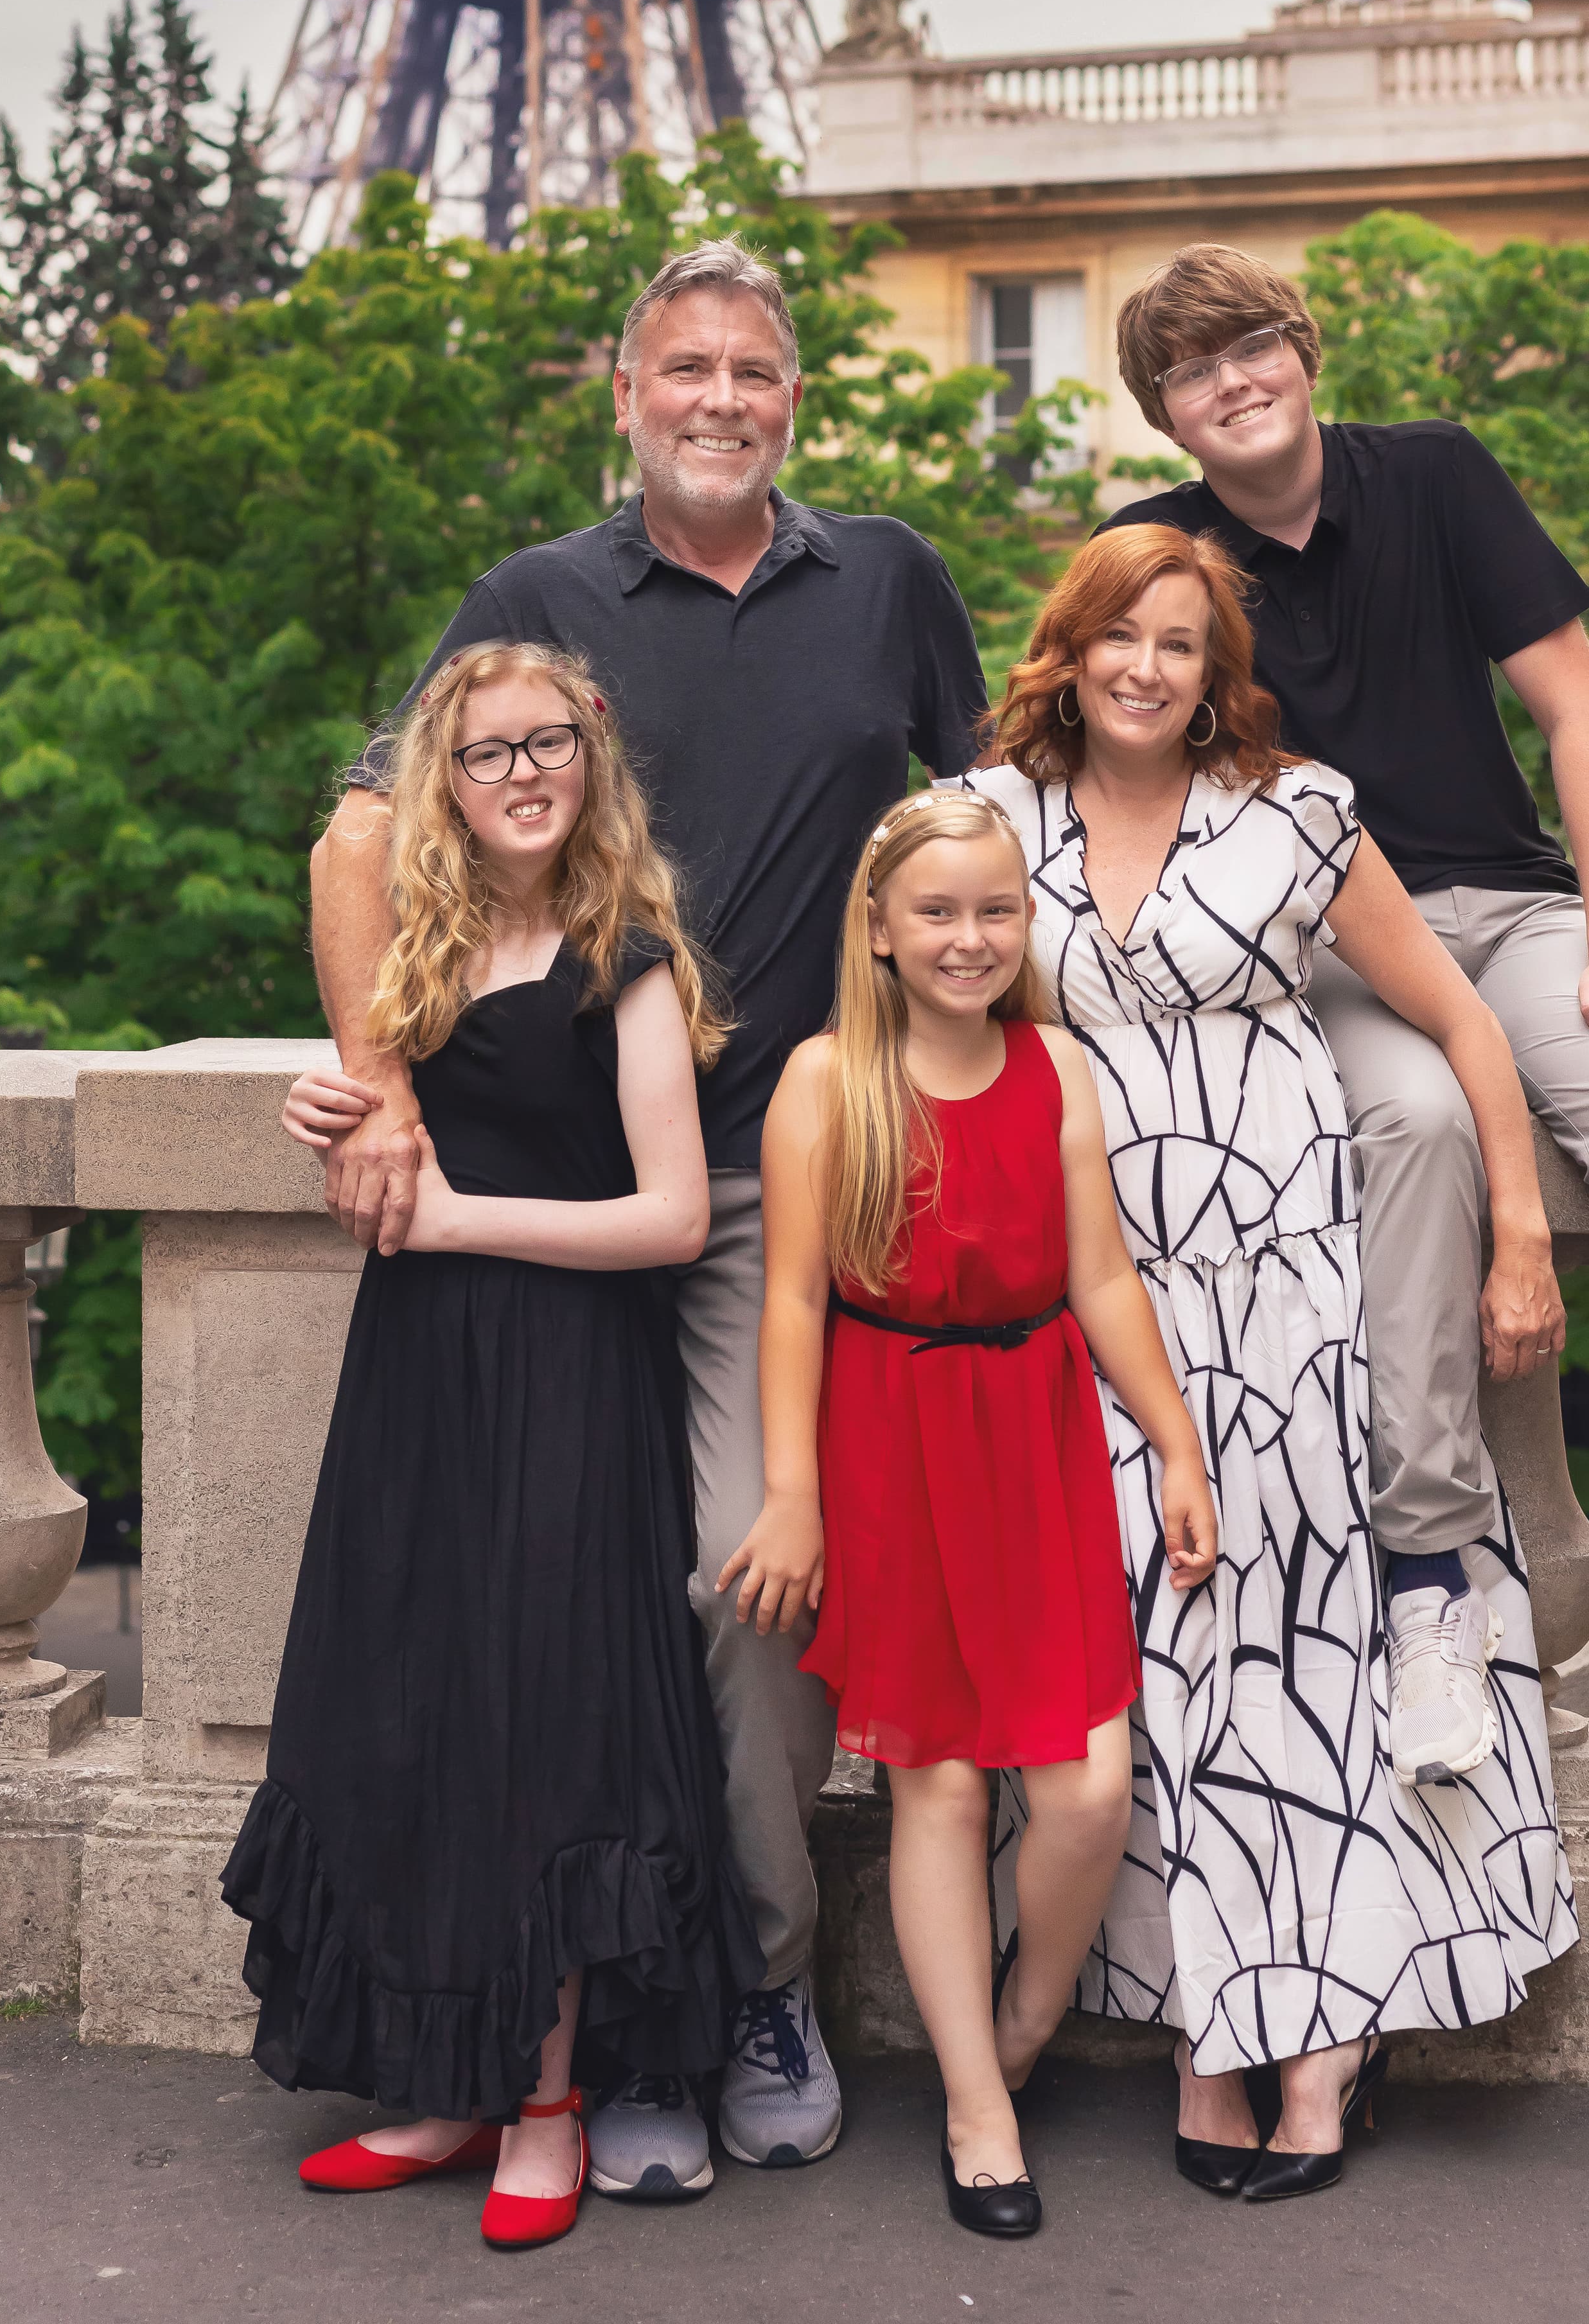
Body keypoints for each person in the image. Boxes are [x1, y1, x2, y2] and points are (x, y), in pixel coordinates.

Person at [281, 238, 991, 2199]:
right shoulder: (537, 604)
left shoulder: (895, 579)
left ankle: (749, 1988)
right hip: (570, 1201)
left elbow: (994, 831)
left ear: (794, 396)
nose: (722, 400)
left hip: (805, 1185)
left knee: (738, 1592)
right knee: (550, 1623)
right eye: (686, 368)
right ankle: (622, 2026)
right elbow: (363, 827)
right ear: (626, 393)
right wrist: (389, 1085)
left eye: (755, 372)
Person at [957, 524, 1578, 2201]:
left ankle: (1318, 2040)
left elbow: (1461, 1022)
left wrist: (1518, 1229)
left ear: (1211, 667)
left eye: (1179, 642)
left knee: (1298, 1646)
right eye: (1120, 637)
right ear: (1070, 651)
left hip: (1288, 1278)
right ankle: (1207, 2023)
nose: (1147, 667)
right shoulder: (996, 816)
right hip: (1096, 1289)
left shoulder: (1296, 811)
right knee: (1153, 1665)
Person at [1111, 248, 1589, 1758]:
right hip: (1334, 947)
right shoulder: (1159, 553)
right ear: (1170, 418)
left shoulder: (1438, 477)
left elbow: (1576, 708)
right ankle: (1428, 1575)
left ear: (1305, 346)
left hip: (1517, 913)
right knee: (1408, 1129)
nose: (1235, 380)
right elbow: (1119, 765)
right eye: (1194, 371)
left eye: (1255, 344)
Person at [222, 640, 757, 2255]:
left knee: (544, 1724)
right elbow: (384, 1117)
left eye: (548, 747)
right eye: (486, 754)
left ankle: (545, 2103)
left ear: (592, 763)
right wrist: (329, 1111)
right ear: (441, 782)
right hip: (420, 1379)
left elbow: (671, 1219)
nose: (522, 776)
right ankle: (448, 2085)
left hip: (570, 1374)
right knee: (417, 1710)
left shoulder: (631, 955)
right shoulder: (422, 949)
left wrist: (455, 1216)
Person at [722, 789, 1218, 2240]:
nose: (969, 938)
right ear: (879, 930)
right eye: (937, 912)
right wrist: (794, 1496)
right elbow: (795, 1302)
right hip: (893, 1441)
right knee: (935, 1781)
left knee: (1084, 1789)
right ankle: (974, 2103)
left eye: (996, 910)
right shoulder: (826, 1080)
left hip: (1038, 1428)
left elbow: (1105, 1279)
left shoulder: (1056, 1065)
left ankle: (1026, 2013)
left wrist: (1177, 1447)